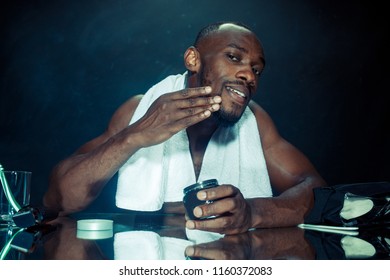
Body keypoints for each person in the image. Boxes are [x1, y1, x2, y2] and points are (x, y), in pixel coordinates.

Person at [43, 21, 327, 235]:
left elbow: (316, 189)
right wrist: (134, 136)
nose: (248, 75)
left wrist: (252, 212)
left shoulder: (255, 121)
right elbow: (59, 200)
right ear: (193, 60)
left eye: (257, 69)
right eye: (234, 57)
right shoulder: (139, 111)